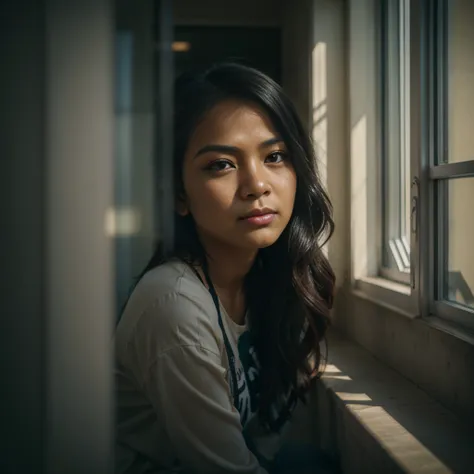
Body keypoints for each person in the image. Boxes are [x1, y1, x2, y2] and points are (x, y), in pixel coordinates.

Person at [114, 63, 337, 474]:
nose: (257, 185)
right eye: (221, 164)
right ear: (180, 195)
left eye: (274, 156)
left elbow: (265, 442)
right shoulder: (174, 308)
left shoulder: (275, 278)